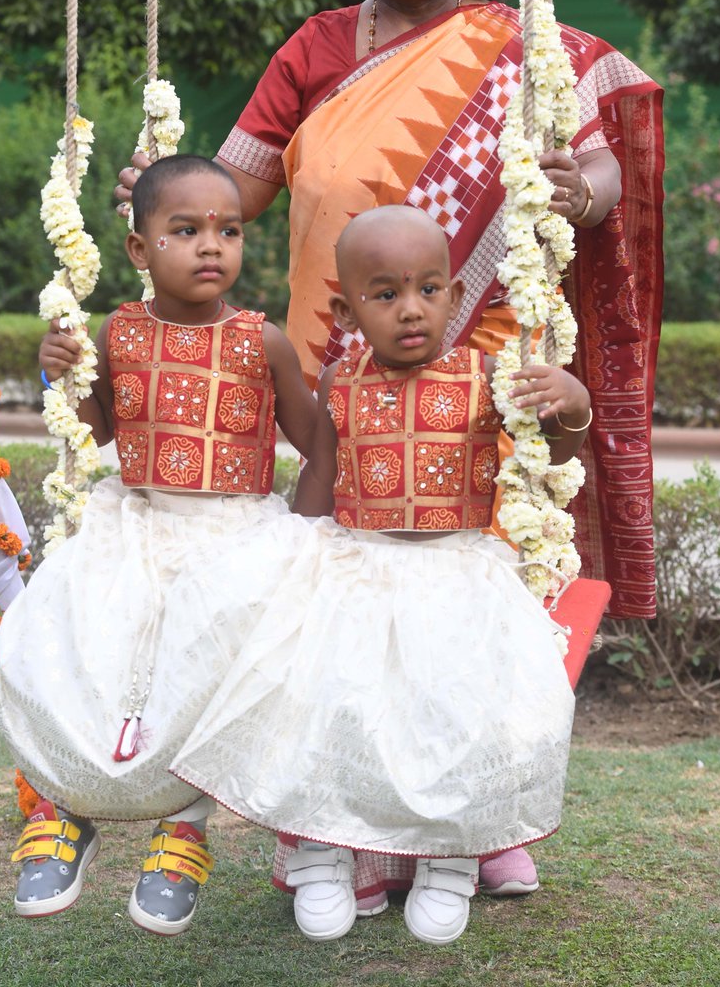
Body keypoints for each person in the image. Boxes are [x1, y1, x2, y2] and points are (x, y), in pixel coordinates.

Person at [117, 0, 663, 903]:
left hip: (484, 373)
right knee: (343, 612)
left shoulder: (528, 42)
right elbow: (238, 186)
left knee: (475, 615)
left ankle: (475, 817)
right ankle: (341, 826)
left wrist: (576, 189)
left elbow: (603, 148)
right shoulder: (317, 47)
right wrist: (163, 191)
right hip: (344, 374)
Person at [170, 205, 592, 945]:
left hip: (455, 577)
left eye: (429, 289)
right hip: (355, 572)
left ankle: (449, 860)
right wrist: (286, 562)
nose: (410, 310)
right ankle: (322, 855)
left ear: (456, 297)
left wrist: (574, 407)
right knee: (328, 707)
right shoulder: (340, 377)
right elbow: (321, 474)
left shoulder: (485, 377)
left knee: (454, 718)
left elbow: (551, 457)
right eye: (385, 294)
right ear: (347, 309)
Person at [0, 155, 319, 935]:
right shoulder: (119, 330)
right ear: (140, 251)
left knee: (208, 662)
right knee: (65, 640)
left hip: (235, 531)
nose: (212, 246)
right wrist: (60, 374)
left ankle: (185, 828)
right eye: (186, 230)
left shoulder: (260, 341)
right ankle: (66, 810)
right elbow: (99, 427)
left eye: (228, 230)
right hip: (132, 519)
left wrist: (309, 538)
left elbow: (317, 442)